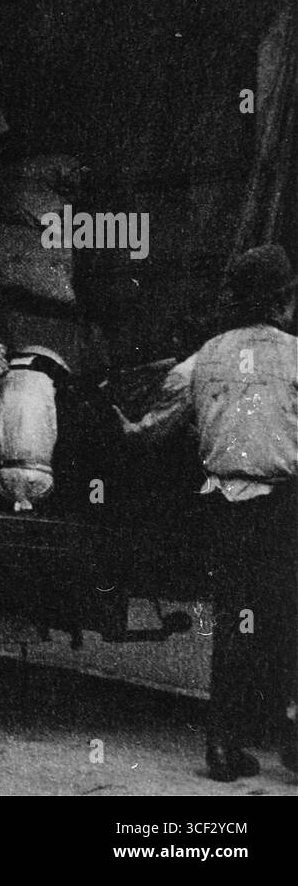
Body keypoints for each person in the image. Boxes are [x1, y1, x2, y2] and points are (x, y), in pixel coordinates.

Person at [115, 243, 297, 782]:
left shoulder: (203, 358)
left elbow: (149, 432)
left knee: (234, 624)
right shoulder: (297, 355)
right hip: (286, 507)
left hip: (223, 507)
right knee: (289, 618)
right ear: (284, 301)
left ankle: (222, 745)